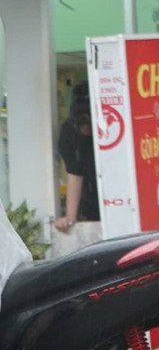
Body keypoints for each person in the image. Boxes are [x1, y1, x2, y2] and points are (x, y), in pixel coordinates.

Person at [53, 81, 101, 252]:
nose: (85, 128)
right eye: (82, 123)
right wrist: (71, 217)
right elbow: (74, 172)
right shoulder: (70, 132)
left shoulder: (113, 124)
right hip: (90, 206)